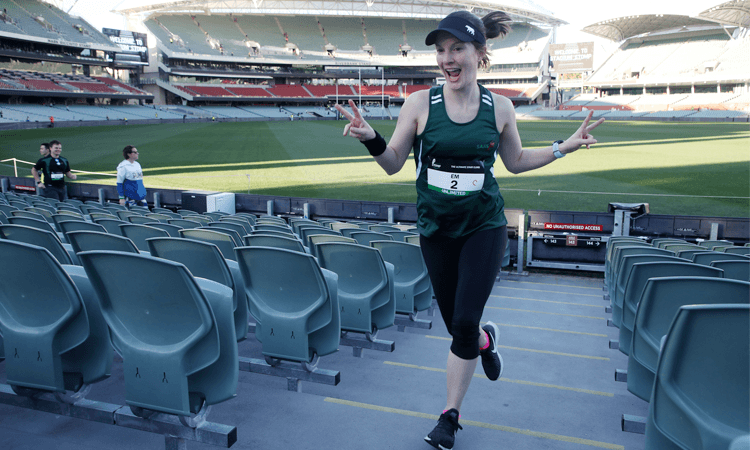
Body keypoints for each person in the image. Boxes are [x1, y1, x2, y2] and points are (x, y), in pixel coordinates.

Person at [335, 10, 604, 450]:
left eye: (457, 48)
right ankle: (484, 339)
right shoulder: (421, 104)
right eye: (441, 50)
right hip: (437, 230)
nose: (447, 58)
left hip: (484, 225)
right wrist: (371, 138)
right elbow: (393, 164)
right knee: (459, 328)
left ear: (480, 53)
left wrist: (562, 147)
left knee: (461, 320)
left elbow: (514, 162)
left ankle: (449, 416)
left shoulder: (500, 108)